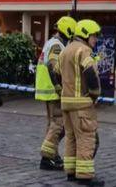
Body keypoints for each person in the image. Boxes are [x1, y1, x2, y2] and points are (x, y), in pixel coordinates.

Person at [55, 19, 104, 186]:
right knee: (85, 138)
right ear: (85, 34)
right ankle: (84, 175)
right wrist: (94, 94)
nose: (95, 39)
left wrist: (62, 89)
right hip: (82, 104)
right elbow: (90, 73)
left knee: (71, 138)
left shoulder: (65, 50)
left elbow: (55, 72)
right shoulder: (84, 51)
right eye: (94, 36)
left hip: (66, 103)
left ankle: (71, 172)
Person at [35, 16, 77, 170]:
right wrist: (60, 87)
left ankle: (52, 154)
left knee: (53, 124)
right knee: (58, 124)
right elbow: (54, 67)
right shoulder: (57, 46)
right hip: (54, 91)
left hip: (49, 91)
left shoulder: (53, 42)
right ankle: (47, 158)